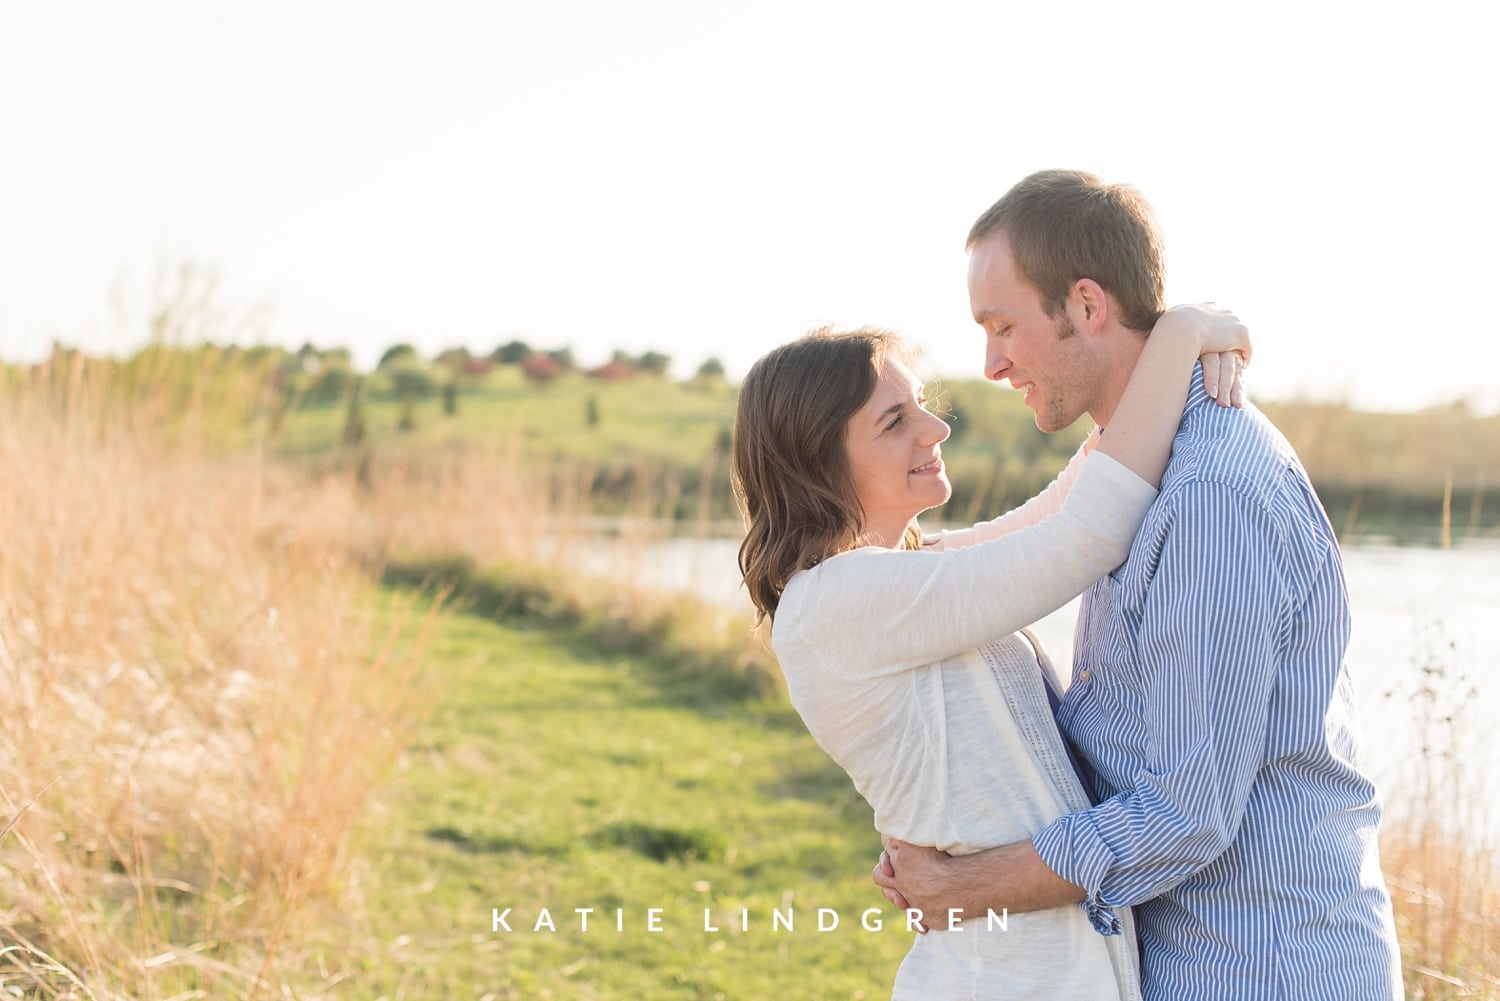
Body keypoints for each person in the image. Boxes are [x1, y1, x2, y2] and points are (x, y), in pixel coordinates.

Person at [872, 169, 1404, 1000]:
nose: (991, 362)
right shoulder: (1134, 468)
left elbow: (1185, 811)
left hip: (1262, 968)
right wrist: (956, 834)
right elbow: (1121, 734)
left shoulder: (1209, 495)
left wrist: (966, 889)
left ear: (1087, 305)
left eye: (1004, 325)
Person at [733, 305, 1249, 999]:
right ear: (817, 465)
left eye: (922, 404)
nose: (936, 428)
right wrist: (1183, 333)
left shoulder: (896, 577)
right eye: (895, 421)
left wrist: (1153, 366)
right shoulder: (844, 600)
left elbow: (1068, 505)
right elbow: (1087, 537)